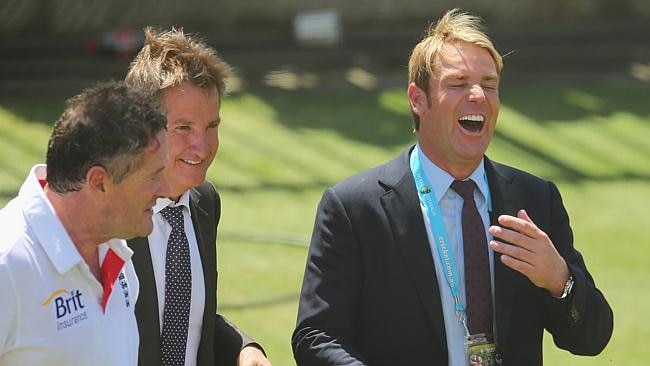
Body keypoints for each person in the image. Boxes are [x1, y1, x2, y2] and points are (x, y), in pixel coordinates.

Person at [292, 9, 613, 366]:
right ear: (418, 99)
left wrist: (559, 279)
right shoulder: (355, 209)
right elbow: (316, 337)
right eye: (458, 83)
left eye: (489, 85)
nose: (478, 95)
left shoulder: (534, 200)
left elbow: (592, 338)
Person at [125, 27, 271, 366]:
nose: (202, 147)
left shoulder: (205, 203)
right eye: (183, 128)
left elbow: (190, 318)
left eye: (211, 126)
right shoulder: (107, 216)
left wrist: (242, 347)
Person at [0, 81, 170, 366]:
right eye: (153, 176)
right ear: (99, 182)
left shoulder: (118, 254)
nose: (164, 189)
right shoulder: (8, 264)